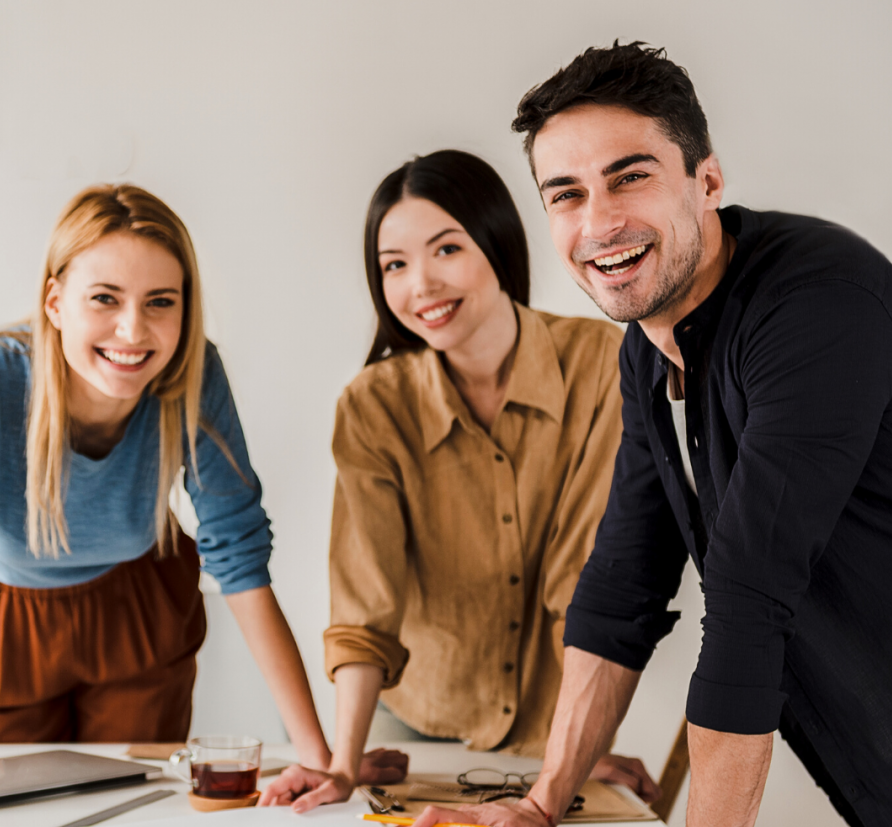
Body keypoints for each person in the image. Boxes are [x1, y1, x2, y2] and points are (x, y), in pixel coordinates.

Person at [415, 43, 892, 827]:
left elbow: (748, 600)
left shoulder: (819, 308)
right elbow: (624, 584)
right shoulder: (648, 350)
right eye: (567, 194)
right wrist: (538, 804)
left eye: (630, 177)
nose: (599, 223)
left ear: (708, 181)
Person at [0, 183, 406, 825]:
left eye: (161, 302)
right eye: (105, 298)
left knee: (143, 810)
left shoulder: (195, 372)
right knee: (6, 809)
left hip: (138, 613)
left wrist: (321, 759)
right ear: (55, 301)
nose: (133, 330)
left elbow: (240, 558)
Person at [260, 150, 657, 813]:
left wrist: (572, 759)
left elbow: (586, 587)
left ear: (496, 241)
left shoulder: (600, 366)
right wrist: (342, 764)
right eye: (394, 264)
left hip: (547, 726)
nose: (421, 285)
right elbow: (364, 604)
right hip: (408, 723)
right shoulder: (373, 405)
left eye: (446, 248)